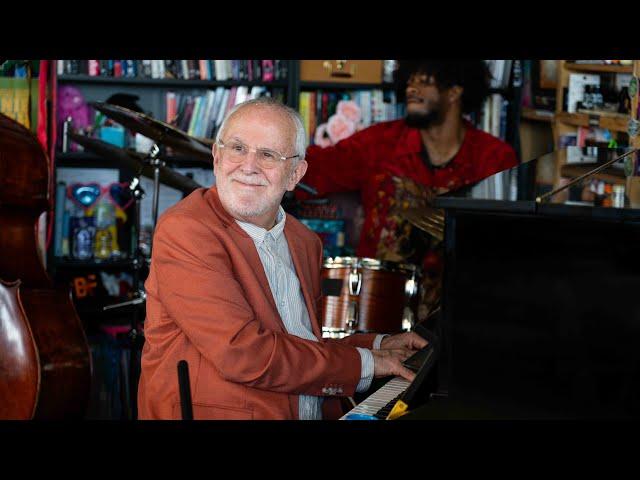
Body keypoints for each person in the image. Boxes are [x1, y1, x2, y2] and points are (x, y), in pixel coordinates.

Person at [137, 97, 428, 420]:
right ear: (217, 158)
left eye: (268, 155)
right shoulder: (187, 230)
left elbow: (298, 344)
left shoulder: (303, 241)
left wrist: (379, 345)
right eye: (237, 148)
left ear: (295, 174)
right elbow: (243, 353)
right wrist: (371, 363)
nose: (248, 166)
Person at [299, 60, 519, 320]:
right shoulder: (378, 143)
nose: (412, 88)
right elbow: (316, 168)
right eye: (410, 80)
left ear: (454, 91)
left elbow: (504, 245)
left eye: (424, 81)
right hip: (377, 309)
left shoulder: (494, 158)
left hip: (461, 312)